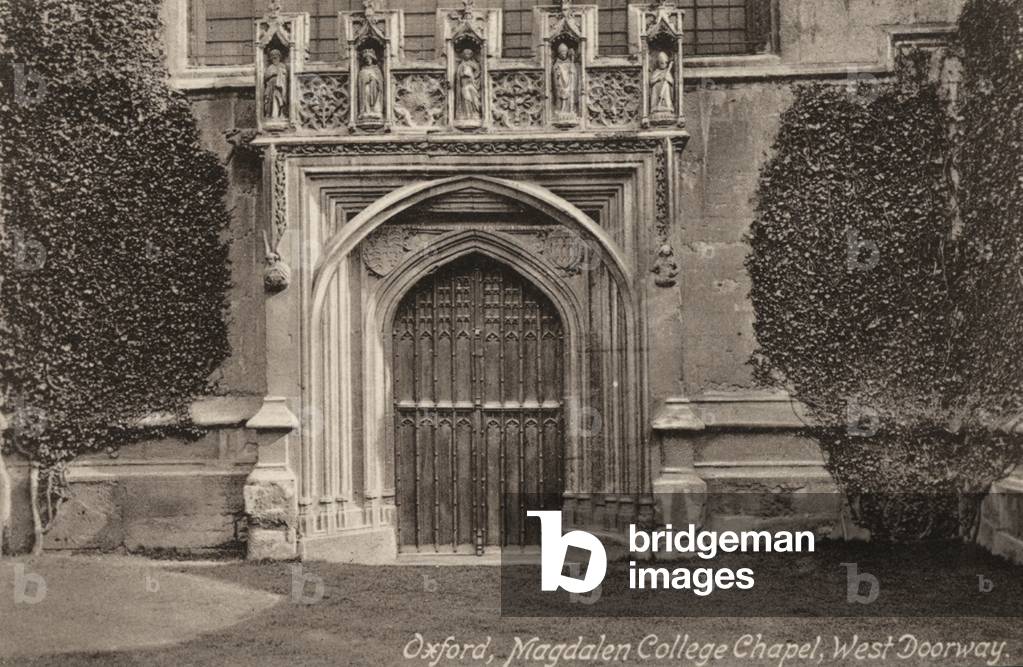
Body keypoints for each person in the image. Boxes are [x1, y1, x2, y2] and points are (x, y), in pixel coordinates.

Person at [455, 49, 481, 121]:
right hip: (464, 84)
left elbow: (478, 72)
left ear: (471, 55)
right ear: (463, 55)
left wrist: (472, 76)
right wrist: (463, 74)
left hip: (472, 84)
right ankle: (466, 114)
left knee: (474, 99)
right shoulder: (461, 65)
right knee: (466, 99)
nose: (467, 55)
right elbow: (458, 75)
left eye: (469, 54)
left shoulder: (473, 64)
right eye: (465, 54)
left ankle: (474, 113)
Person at [552, 43, 577, 118]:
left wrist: (572, 71)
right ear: (559, 54)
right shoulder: (557, 63)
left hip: (568, 82)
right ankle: (560, 109)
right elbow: (554, 70)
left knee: (569, 93)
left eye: (564, 53)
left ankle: (570, 109)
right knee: (560, 94)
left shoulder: (570, 62)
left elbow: (574, 72)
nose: (563, 55)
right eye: (561, 53)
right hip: (560, 82)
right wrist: (557, 72)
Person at [358, 49, 384, 119]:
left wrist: (375, 79)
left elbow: (380, 81)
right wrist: (366, 79)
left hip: (375, 89)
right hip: (366, 88)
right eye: (366, 59)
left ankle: (376, 111)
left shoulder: (377, 69)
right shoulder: (362, 70)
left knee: (376, 100)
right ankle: (366, 111)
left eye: (369, 58)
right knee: (366, 97)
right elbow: (360, 81)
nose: (368, 60)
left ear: (372, 59)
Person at [264, 48, 288, 119]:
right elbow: (265, 77)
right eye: (273, 57)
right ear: (271, 58)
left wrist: (281, 73)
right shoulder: (270, 67)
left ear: (279, 57)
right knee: (270, 100)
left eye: (276, 57)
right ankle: (269, 113)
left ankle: (281, 113)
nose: (275, 59)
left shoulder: (282, 65)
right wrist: (272, 74)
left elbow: (285, 75)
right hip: (271, 86)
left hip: (280, 87)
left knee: (280, 100)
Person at [650, 50, 675, 116]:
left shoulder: (667, 72)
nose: (663, 65)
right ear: (658, 63)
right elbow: (651, 81)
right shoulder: (656, 72)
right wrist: (657, 79)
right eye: (661, 63)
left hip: (665, 89)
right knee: (655, 89)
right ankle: (655, 106)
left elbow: (672, 82)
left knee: (666, 88)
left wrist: (668, 79)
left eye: (665, 63)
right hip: (656, 90)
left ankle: (668, 107)